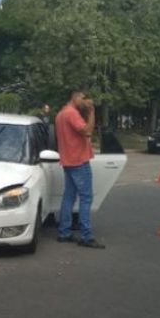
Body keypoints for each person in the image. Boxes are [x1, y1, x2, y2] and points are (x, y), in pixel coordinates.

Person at [54, 90, 104, 249]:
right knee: (86, 197)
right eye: (83, 98)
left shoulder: (61, 114)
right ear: (75, 98)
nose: (85, 101)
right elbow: (88, 131)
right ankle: (86, 236)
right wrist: (91, 112)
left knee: (69, 196)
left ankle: (64, 232)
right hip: (79, 161)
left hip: (68, 160)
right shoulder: (72, 113)